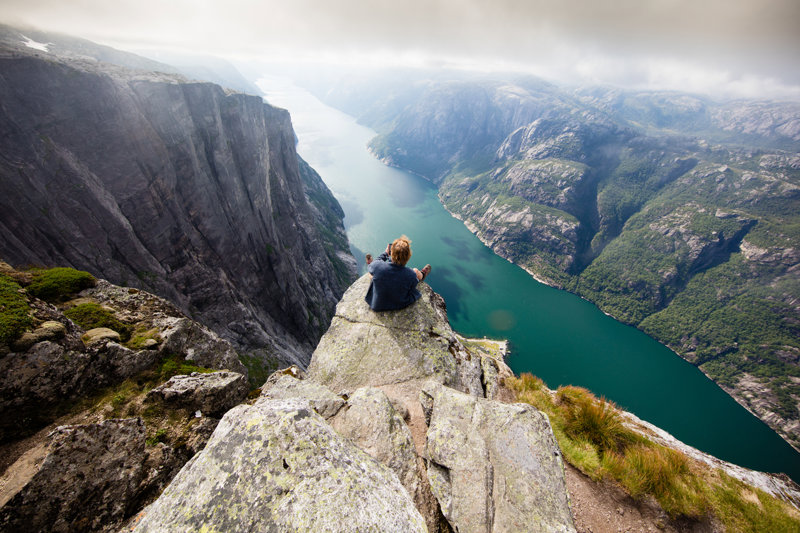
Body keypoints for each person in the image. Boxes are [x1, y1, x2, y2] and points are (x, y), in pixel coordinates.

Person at [365, 235, 431, 311]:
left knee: (373, 273)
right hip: (399, 304)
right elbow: (411, 288)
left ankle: (389, 261)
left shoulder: (377, 266)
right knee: (415, 271)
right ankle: (422, 275)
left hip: (377, 304)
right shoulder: (411, 275)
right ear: (408, 257)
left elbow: (374, 263)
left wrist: (386, 253)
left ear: (391, 253)